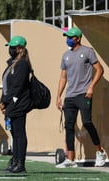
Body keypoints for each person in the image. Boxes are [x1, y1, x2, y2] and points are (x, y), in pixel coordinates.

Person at [56, 27, 106, 168]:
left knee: (87, 122)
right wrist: (58, 96)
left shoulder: (87, 52)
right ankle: (70, 159)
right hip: (70, 96)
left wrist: (91, 87)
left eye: (71, 37)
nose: (68, 39)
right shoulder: (65, 55)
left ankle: (99, 152)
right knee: (69, 126)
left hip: (84, 94)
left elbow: (100, 69)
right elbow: (63, 77)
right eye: (67, 37)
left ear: (78, 38)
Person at [0, 36, 32, 173]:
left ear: (20, 48)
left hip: (18, 103)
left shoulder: (22, 64)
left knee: (19, 133)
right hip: (11, 103)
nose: (10, 49)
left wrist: (6, 100)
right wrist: (3, 100)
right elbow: (7, 85)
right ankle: (14, 161)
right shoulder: (12, 63)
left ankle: (20, 163)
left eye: (13, 47)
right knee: (14, 132)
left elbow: (17, 86)